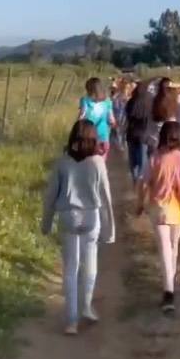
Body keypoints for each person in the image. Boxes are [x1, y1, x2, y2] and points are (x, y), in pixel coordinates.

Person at [41, 120, 115, 335]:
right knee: (90, 262)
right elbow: (106, 198)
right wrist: (110, 229)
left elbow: (50, 196)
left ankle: (71, 321)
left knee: (70, 268)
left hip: (68, 216)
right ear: (93, 139)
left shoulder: (62, 163)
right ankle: (87, 307)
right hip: (91, 216)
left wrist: (46, 223)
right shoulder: (97, 163)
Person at [136, 121, 180, 313]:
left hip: (159, 208)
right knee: (173, 245)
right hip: (179, 208)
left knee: (164, 248)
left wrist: (140, 203)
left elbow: (143, 182)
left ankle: (168, 290)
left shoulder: (155, 158)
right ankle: (170, 280)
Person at [78, 77, 115, 161]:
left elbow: (80, 117)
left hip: (88, 136)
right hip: (103, 136)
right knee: (101, 162)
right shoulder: (107, 101)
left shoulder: (85, 101)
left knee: (88, 161)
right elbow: (112, 120)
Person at [146, 81, 180, 157]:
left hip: (152, 140)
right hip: (166, 145)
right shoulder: (172, 106)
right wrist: (173, 84)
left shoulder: (153, 102)